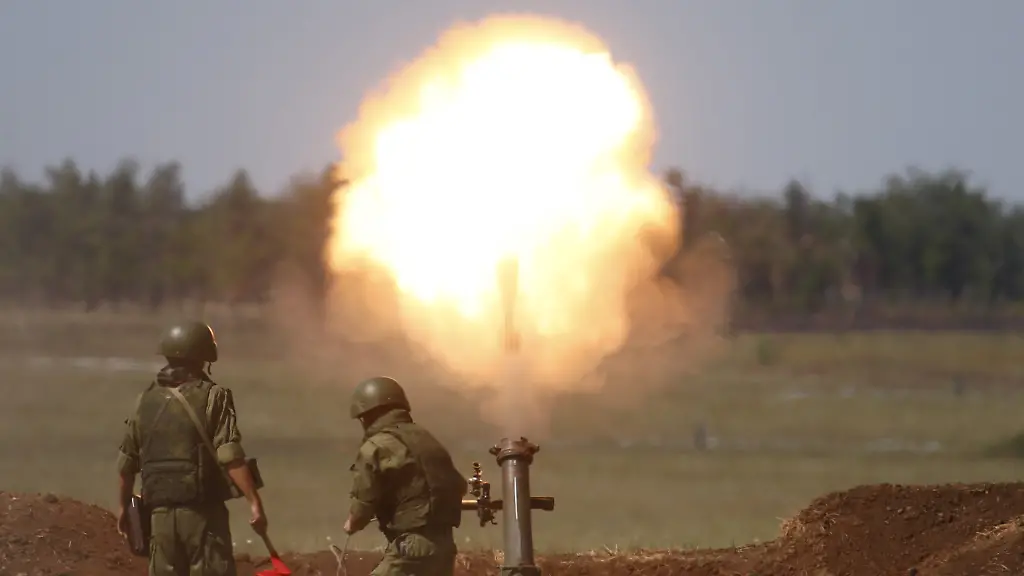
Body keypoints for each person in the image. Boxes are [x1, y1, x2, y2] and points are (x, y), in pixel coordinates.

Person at [116, 321, 267, 576]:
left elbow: (126, 463)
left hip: (159, 519)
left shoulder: (144, 401)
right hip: (202, 517)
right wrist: (254, 502)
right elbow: (229, 454)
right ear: (204, 357)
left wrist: (123, 508)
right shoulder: (214, 397)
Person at [344, 376, 468, 576]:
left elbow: (363, 502)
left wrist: (352, 523)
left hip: (411, 547)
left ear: (367, 416)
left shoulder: (375, 446)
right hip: (445, 547)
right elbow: (459, 485)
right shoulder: (427, 439)